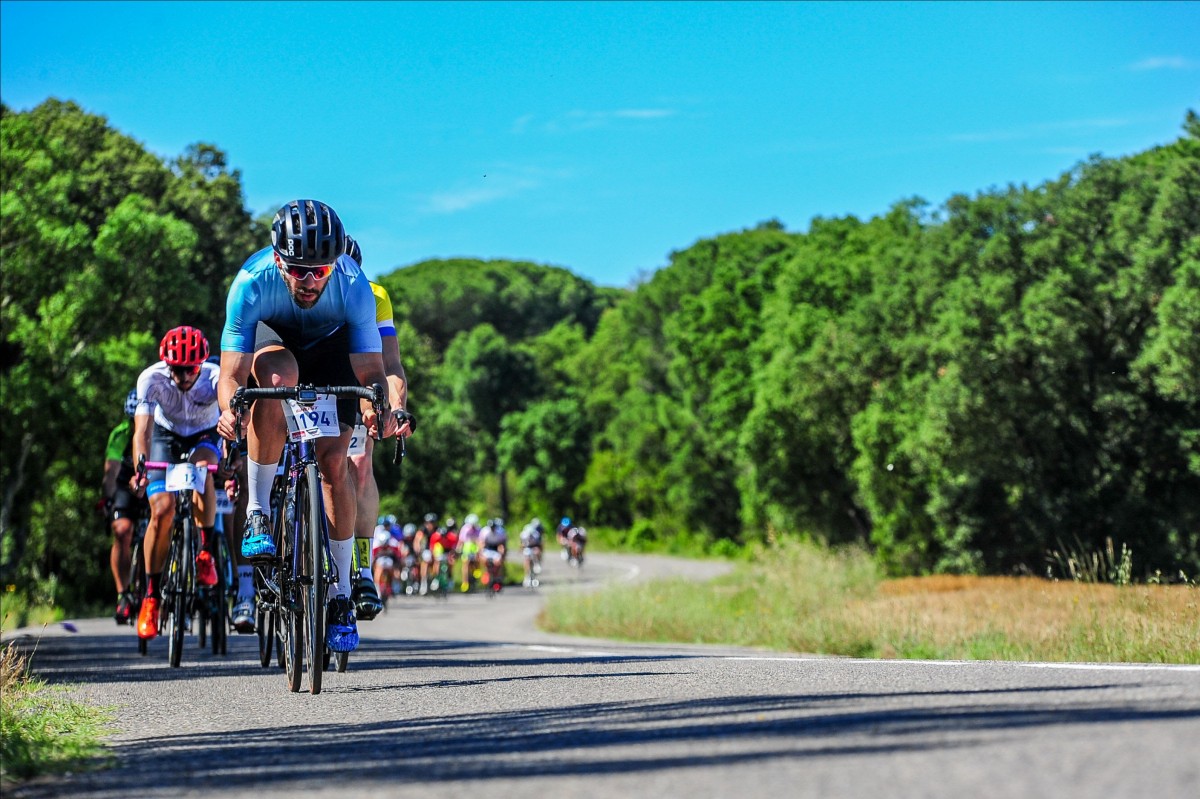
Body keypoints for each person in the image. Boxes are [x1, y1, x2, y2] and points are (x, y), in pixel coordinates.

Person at [216, 199, 410, 654]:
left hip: (332, 348)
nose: (308, 281)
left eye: (319, 271)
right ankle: (259, 511)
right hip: (276, 340)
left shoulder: (355, 286)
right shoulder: (250, 282)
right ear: (278, 259)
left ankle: (341, 593)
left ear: (336, 263)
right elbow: (231, 375)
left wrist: (378, 406)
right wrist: (230, 410)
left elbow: (371, 371)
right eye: (298, 270)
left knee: (334, 462)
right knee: (275, 384)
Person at [130, 326, 223, 640]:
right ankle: (152, 597)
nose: (183, 377)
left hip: (204, 436)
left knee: (202, 470)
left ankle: (206, 552)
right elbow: (141, 432)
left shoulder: (214, 377)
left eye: (190, 370)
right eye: (177, 370)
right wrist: (140, 469)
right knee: (162, 511)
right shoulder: (151, 379)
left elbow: (233, 420)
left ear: (201, 363)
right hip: (165, 437)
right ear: (166, 364)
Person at [341, 235, 411, 621]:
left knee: (359, 465)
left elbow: (390, 364)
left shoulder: (374, 295)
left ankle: (363, 569)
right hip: (311, 379)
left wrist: (395, 408)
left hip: (357, 384)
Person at [102, 389, 148, 624]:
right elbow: (110, 472)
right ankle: (123, 594)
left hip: (151, 479)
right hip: (124, 483)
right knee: (121, 531)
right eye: (132, 419)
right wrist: (108, 499)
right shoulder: (120, 435)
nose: (136, 423)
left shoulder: (157, 429)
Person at [456, 514, 483, 591]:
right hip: (467, 549)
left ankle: (477, 569)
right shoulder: (465, 529)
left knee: (478, 558)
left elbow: (480, 541)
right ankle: (465, 582)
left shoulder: (478, 529)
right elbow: (461, 540)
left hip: (475, 548)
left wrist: (479, 550)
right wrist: (458, 549)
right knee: (465, 564)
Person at [519, 519, 544, 587]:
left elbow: (540, 545)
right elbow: (521, 544)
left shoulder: (536, 534)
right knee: (527, 560)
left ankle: (537, 564)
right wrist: (521, 550)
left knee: (537, 551)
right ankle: (527, 576)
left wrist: (540, 552)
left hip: (534, 547)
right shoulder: (523, 535)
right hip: (527, 548)